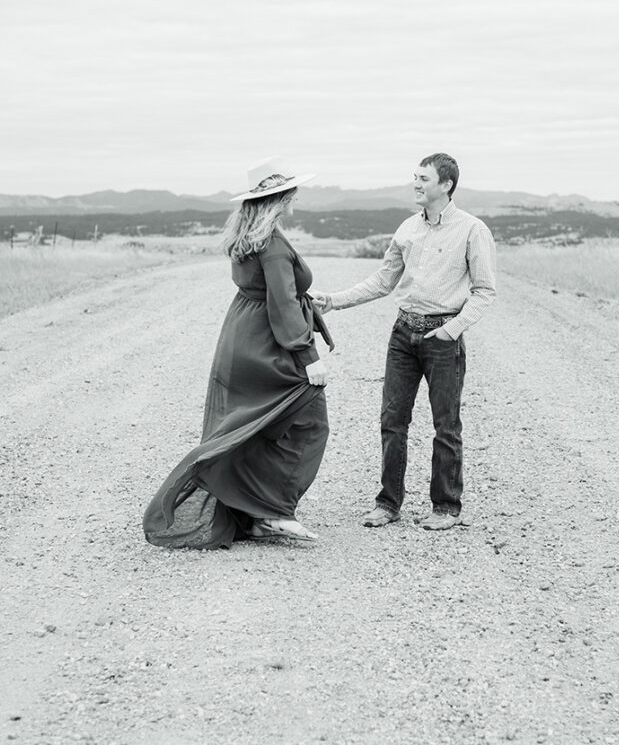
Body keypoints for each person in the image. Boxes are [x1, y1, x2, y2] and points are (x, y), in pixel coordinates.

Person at [143, 157, 332, 549]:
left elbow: (273, 295)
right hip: (266, 342)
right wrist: (309, 357)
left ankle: (253, 513)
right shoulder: (275, 244)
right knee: (309, 420)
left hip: (239, 340)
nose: (294, 199)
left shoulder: (247, 236)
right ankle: (275, 510)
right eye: (290, 194)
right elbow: (281, 306)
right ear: (281, 199)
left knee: (250, 425)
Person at [312, 152, 496, 531]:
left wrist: (451, 329)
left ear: (446, 185)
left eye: (424, 179)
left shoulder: (472, 230)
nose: (416, 184)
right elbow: (382, 281)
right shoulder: (407, 229)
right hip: (402, 334)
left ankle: (446, 507)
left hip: (443, 336)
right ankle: (388, 503)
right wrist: (333, 302)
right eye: (415, 177)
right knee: (392, 420)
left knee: (446, 425)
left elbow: (484, 291)